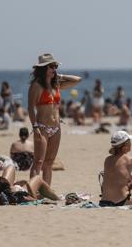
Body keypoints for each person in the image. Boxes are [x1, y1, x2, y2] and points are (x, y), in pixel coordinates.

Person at [28, 53, 81, 185]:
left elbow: (77, 79)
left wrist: (60, 76)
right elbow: (30, 108)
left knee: (49, 162)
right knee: (38, 162)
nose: (54, 69)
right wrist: (35, 127)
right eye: (51, 66)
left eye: (55, 66)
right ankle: (33, 190)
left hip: (56, 127)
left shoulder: (56, 84)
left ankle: (46, 191)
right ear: (43, 69)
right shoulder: (36, 86)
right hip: (42, 127)